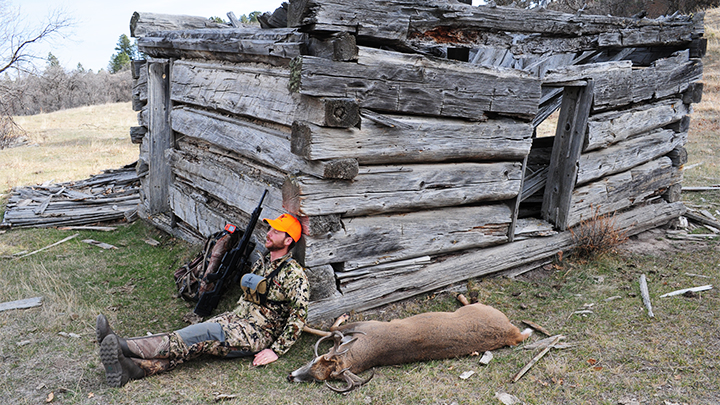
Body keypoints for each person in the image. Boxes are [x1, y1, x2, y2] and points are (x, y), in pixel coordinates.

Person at [96, 213, 309, 387]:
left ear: (288, 240)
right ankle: (132, 369)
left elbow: (299, 315)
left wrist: (276, 350)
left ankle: (125, 346)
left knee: (199, 335)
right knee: (195, 343)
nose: (269, 234)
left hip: (257, 333)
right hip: (237, 320)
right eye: (270, 229)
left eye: (275, 231)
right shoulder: (262, 263)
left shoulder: (293, 274)